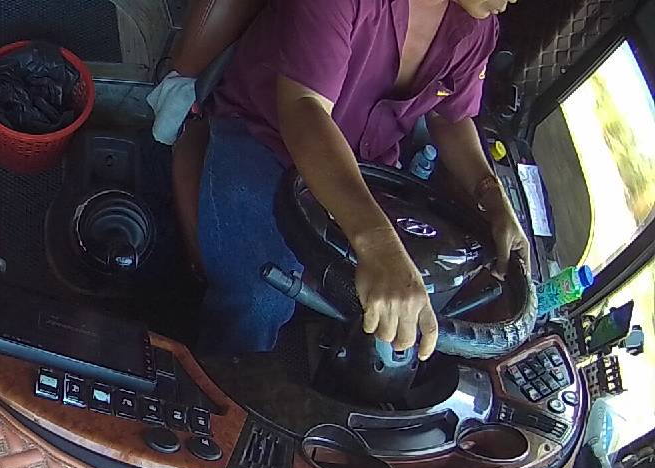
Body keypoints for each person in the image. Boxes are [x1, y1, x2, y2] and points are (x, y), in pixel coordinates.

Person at [197, 0, 530, 358]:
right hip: (265, 139)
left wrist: (491, 196)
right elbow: (304, 109)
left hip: (368, 171)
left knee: (411, 310)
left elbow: (450, 118)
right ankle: (219, 376)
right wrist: (379, 244)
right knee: (260, 301)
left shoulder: (476, 30)